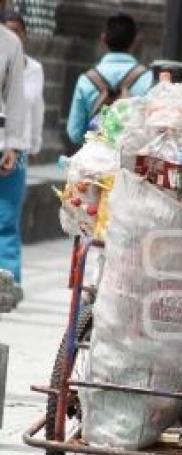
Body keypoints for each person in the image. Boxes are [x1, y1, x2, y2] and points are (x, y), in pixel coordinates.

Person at [0, 12, 44, 311]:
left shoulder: (11, 47)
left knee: (6, 217)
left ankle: (8, 281)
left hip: (9, 147)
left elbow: (25, 104)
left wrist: (18, 145)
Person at [66, 12, 153, 146]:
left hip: (95, 161)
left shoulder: (86, 80)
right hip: (132, 161)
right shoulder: (148, 79)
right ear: (135, 41)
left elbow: (75, 133)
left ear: (103, 39)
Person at [0, 22, 26, 312]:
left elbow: (15, 99)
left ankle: (7, 287)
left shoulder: (9, 43)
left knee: (4, 220)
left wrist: (12, 145)